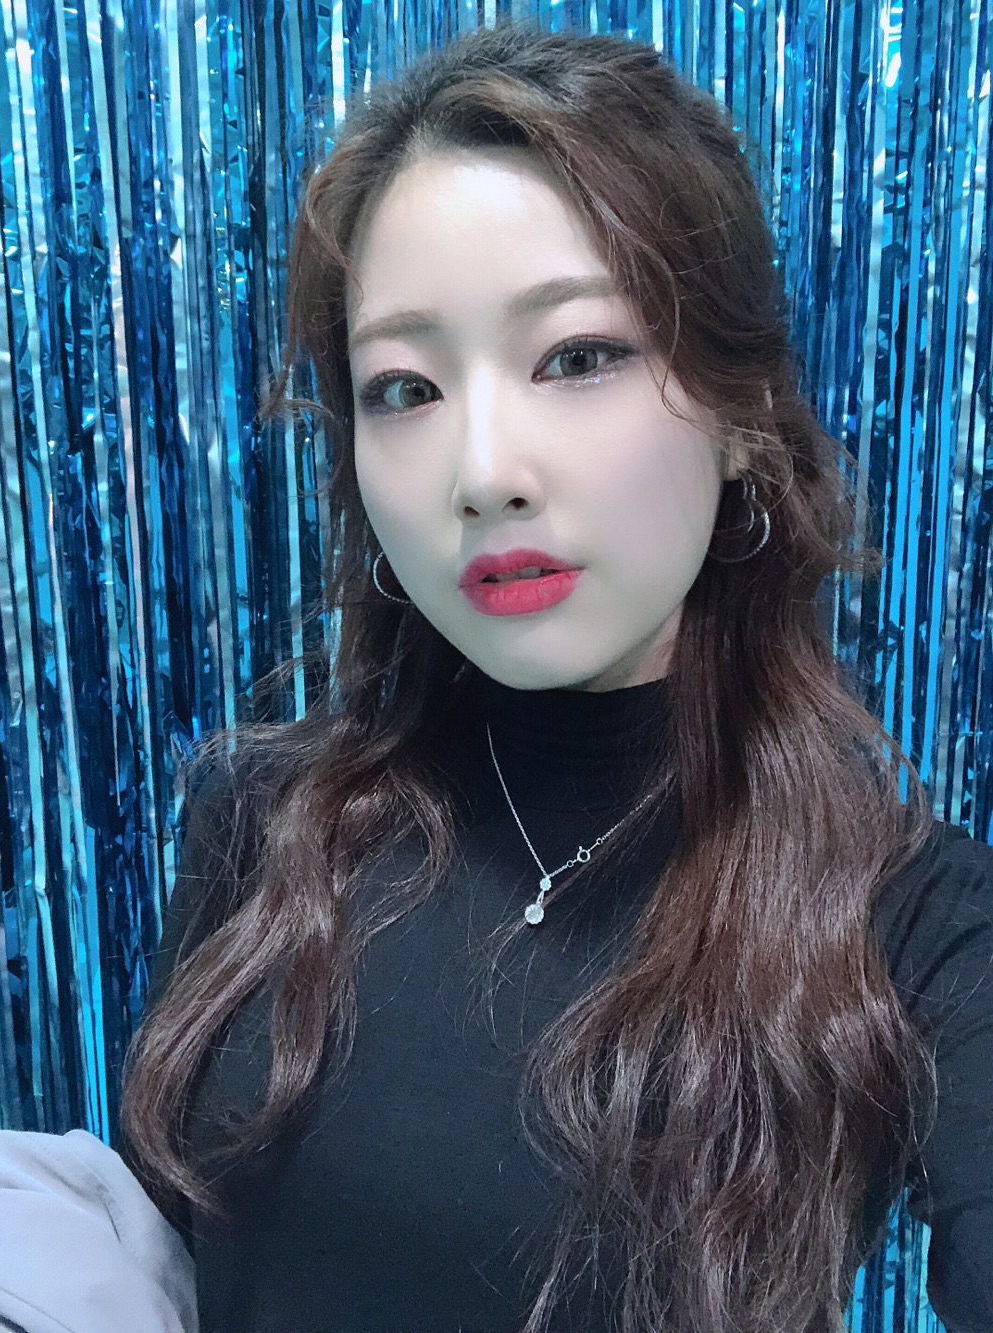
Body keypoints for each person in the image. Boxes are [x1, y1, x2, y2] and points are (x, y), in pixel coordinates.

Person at [104, 19, 993, 1333]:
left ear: (742, 414)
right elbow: (151, 1264)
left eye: (576, 356)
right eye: (403, 388)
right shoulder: (265, 822)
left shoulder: (910, 925)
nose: (482, 472)